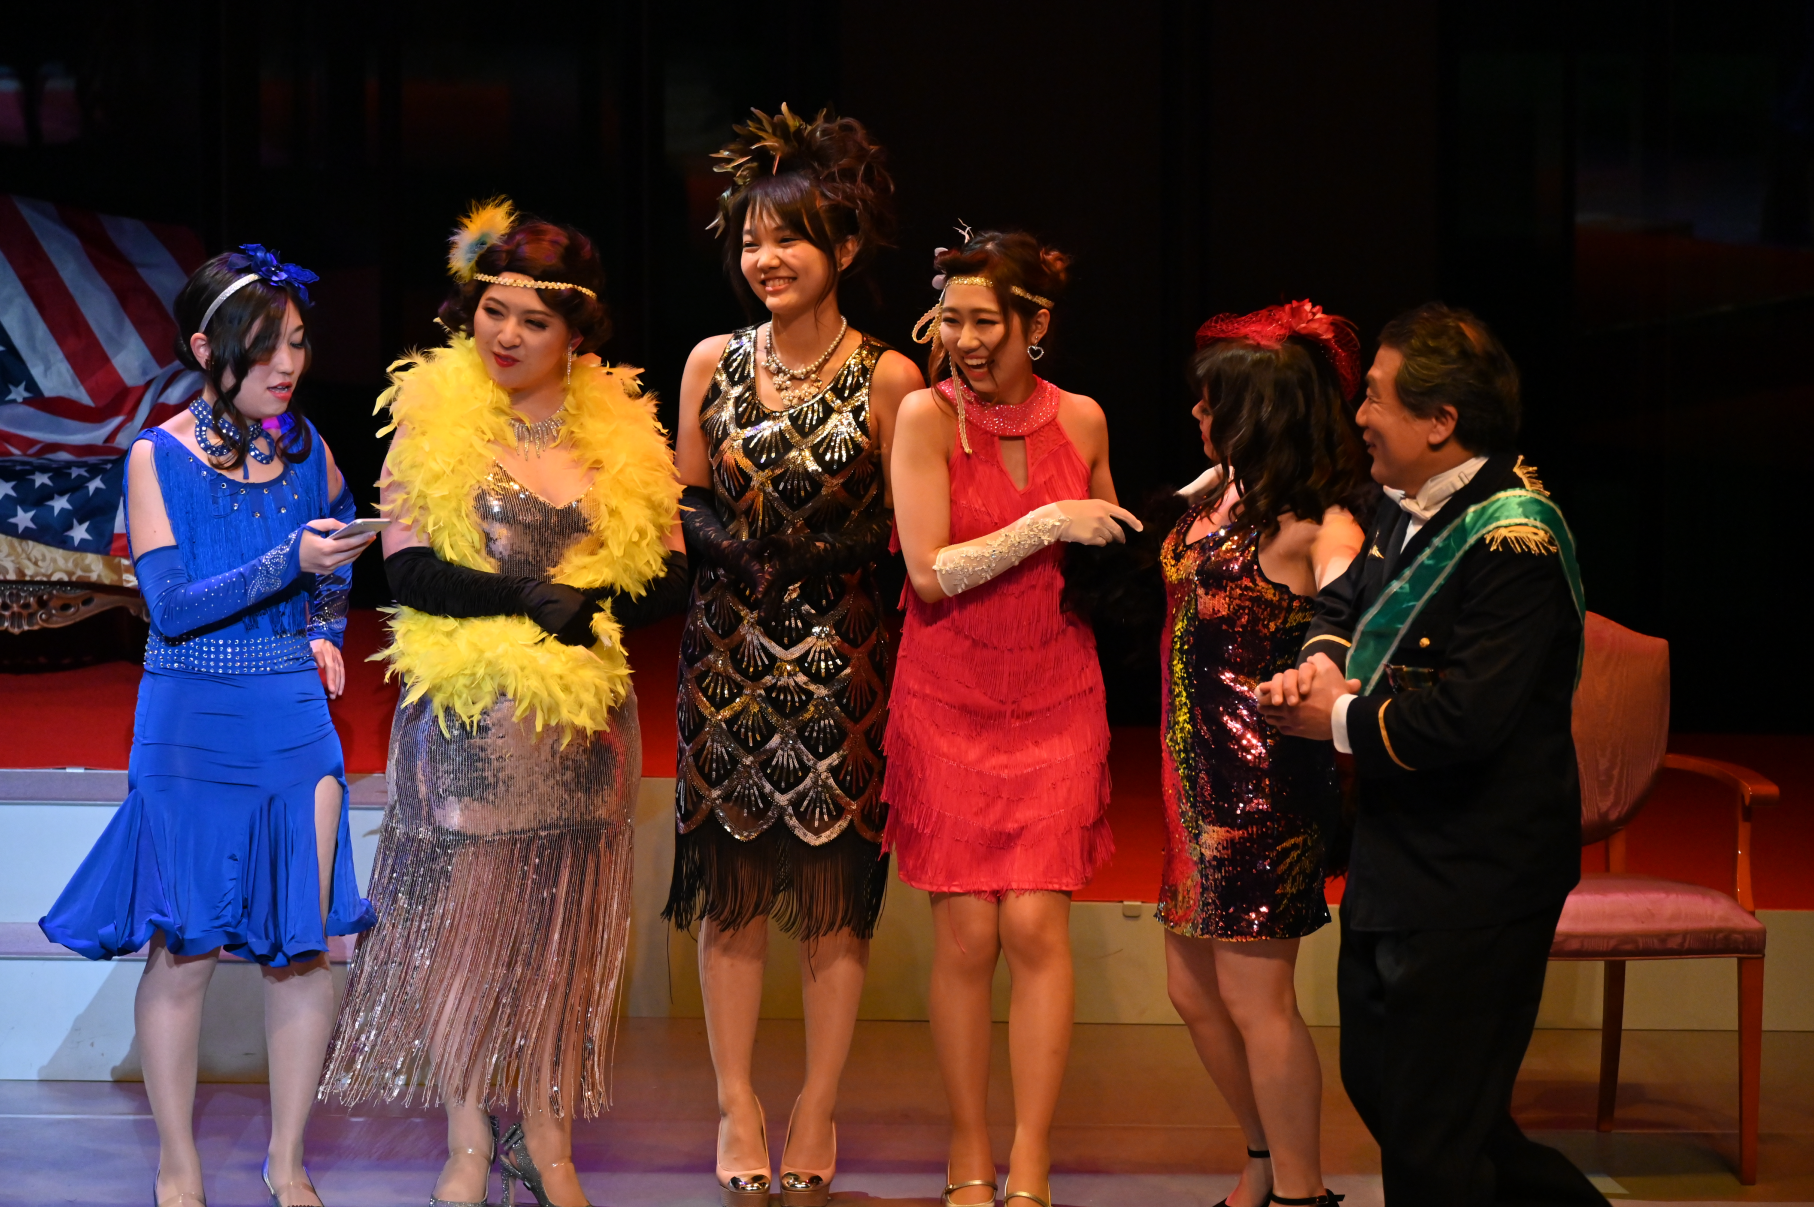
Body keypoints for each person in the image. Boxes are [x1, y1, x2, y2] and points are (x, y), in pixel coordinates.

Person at [319, 200, 686, 1207]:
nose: (508, 335)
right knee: (468, 933)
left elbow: (663, 572)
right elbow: (406, 572)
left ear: (575, 334)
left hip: (580, 726)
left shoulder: (622, 436)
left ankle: (548, 1138)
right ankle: (468, 1135)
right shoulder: (431, 420)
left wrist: (591, 603)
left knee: (563, 938)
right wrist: (527, 596)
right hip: (470, 720)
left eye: (534, 319)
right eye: (494, 312)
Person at [40, 246, 376, 1207]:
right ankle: (179, 1164)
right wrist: (289, 562)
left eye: (298, 343)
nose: (288, 365)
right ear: (204, 349)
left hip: (293, 719)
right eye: (266, 347)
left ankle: (288, 1160)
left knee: (302, 948)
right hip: (189, 721)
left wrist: (323, 628)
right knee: (183, 948)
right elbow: (175, 605)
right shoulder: (156, 455)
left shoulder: (305, 446)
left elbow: (342, 529)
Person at [1258, 303, 1601, 1205]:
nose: (1359, 414)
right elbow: (1345, 607)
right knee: (1402, 1097)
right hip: (1399, 856)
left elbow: (1467, 719)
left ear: (1440, 420)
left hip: (1479, 872)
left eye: (1375, 396)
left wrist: (1334, 721)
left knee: (1432, 1134)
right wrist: (1319, 664)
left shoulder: (1514, 539)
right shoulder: (1396, 501)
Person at [663, 104, 921, 1207]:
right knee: (729, 888)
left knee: (827, 893)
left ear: (844, 249)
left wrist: (822, 551)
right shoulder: (711, 360)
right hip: (727, 654)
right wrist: (725, 544)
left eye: (789, 240)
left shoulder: (892, 375)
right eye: (751, 241)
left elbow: (909, 524)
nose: (764, 259)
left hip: (843, 658)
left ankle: (817, 1101)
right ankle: (736, 1101)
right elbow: (683, 494)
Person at [886, 230, 1136, 1207]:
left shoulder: (1083, 417)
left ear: (1035, 323)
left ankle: (1031, 1154)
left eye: (984, 321)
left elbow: (1109, 550)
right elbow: (927, 572)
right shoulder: (924, 416)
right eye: (950, 320)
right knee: (965, 937)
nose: (963, 340)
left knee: (1033, 923)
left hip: (1055, 689)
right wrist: (1045, 521)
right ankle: (968, 1144)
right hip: (947, 691)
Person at [1160, 302, 1370, 1207]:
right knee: (1190, 990)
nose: (1197, 415)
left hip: (1261, 792)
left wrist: (1326, 666)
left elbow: (1353, 617)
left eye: (1212, 404)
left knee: (1256, 999)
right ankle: (1260, 1157)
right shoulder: (1220, 492)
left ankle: (1301, 1190)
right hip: (1188, 776)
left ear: (1259, 414)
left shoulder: (1317, 523)